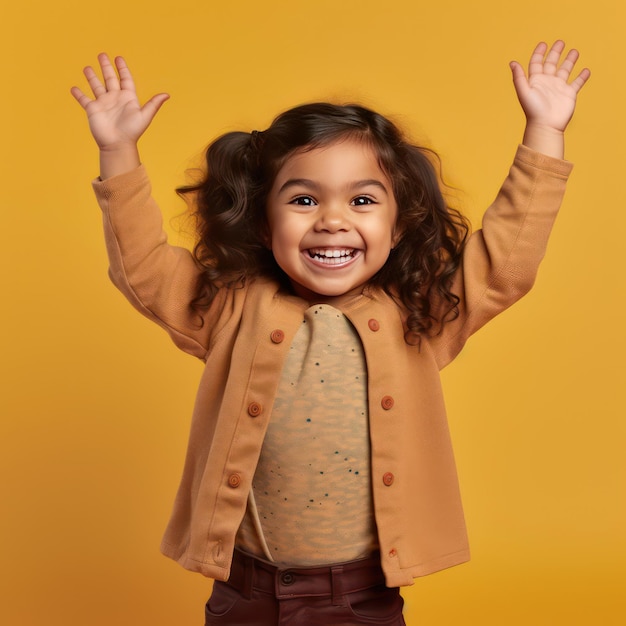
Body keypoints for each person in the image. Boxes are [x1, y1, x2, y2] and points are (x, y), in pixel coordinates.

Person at [71, 40, 589, 626]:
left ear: (397, 229)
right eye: (303, 199)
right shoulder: (231, 310)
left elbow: (505, 262)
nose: (332, 219)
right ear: (265, 226)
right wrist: (117, 151)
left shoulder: (417, 314)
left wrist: (545, 133)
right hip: (247, 588)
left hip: (360, 594)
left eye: (363, 199)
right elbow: (140, 267)